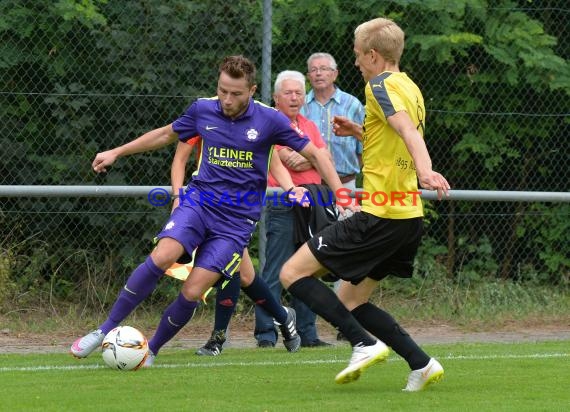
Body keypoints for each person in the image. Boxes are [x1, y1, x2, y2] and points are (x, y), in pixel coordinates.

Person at [70, 55, 351, 365]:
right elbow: (165, 135)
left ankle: (151, 351)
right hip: (199, 202)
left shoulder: (270, 120)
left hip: (237, 220)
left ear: (252, 90)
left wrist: (339, 195)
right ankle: (103, 330)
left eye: (236, 93)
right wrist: (117, 152)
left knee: (193, 290)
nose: (227, 100)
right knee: (163, 256)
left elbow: (317, 153)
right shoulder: (203, 109)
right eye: (222, 90)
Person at [279, 17, 450, 391]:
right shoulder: (410, 86)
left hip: (381, 214)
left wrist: (425, 171)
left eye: (357, 56)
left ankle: (363, 343)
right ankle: (421, 363)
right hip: (407, 218)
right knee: (351, 299)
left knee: (291, 274)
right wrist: (358, 131)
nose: (355, 62)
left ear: (373, 56)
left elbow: (405, 130)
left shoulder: (378, 85)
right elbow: (396, 133)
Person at [170, 138, 310, 356]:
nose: (229, 101)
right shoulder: (206, 113)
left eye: (236, 99)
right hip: (208, 204)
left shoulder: (261, 121)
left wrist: (292, 189)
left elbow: (274, 163)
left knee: (230, 267)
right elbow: (178, 150)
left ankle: (218, 339)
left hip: (240, 210)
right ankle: (284, 317)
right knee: (245, 275)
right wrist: (178, 198)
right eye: (226, 99)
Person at [254, 70, 332, 348]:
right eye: (288, 92)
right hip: (282, 202)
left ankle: (308, 333)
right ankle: (266, 334)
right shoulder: (270, 123)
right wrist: (312, 158)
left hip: (311, 205)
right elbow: (285, 157)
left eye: (299, 92)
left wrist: (311, 158)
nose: (294, 97)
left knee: (308, 270)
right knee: (275, 269)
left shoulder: (308, 126)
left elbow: (325, 156)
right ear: (275, 97)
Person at [301, 52, 364, 194]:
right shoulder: (300, 106)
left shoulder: (352, 105)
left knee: (348, 217)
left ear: (334, 74)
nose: (318, 73)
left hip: (346, 184)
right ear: (308, 77)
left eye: (323, 69)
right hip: (309, 185)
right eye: (313, 70)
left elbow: (364, 147)